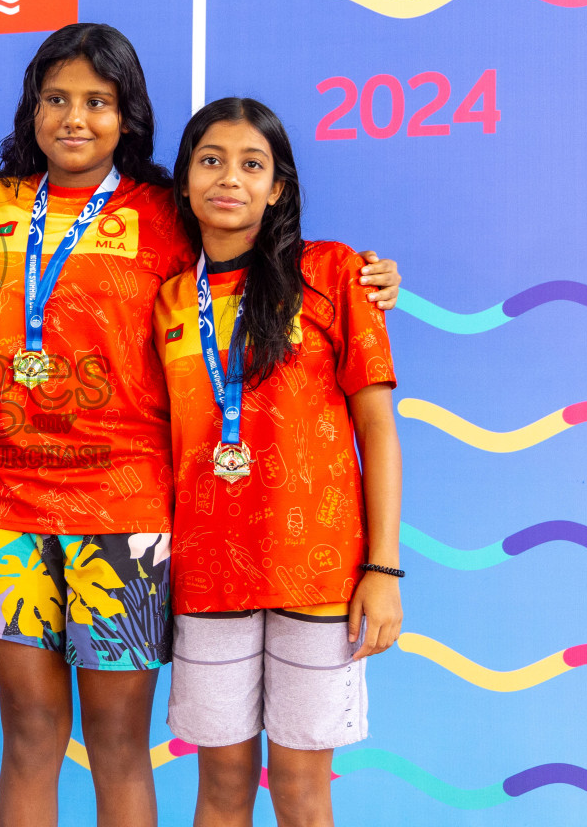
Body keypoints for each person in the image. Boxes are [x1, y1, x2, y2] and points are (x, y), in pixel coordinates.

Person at [0, 24, 401, 827]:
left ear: (129, 116)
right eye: (56, 99)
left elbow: (259, 251)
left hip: (128, 512)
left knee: (120, 741)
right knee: (28, 733)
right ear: (32, 109)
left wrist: (371, 276)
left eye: (97, 101)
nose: (75, 118)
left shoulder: (169, 209)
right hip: (5, 506)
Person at [155, 98, 403, 827]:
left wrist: (383, 572)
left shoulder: (333, 273)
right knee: (223, 793)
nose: (229, 178)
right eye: (210, 160)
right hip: (208, 577)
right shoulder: (169, 300)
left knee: (300, 795)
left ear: (278, 187)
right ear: (186, 180)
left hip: (320, 577)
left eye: (251, 164)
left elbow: (379, 433)